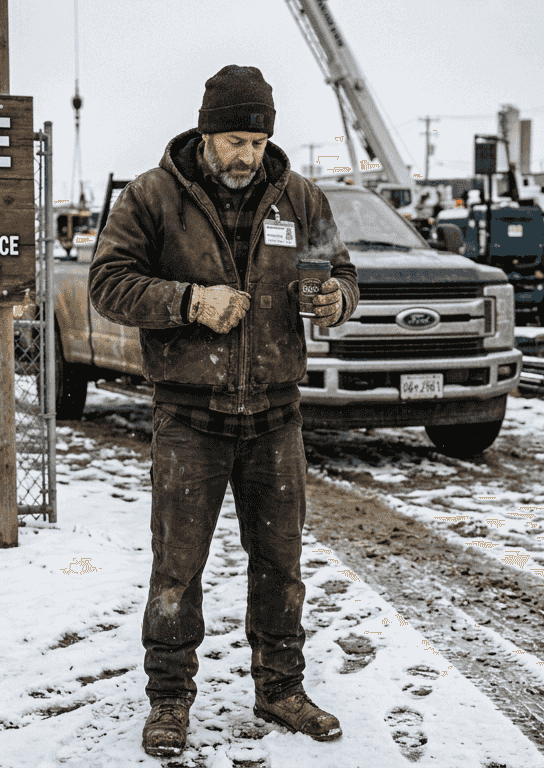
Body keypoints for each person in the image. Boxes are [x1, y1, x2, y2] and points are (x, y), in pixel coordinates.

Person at [88, 64, 358, 758]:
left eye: (257, 141)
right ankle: (170, 700)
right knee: (178, 569)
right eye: (235, 140)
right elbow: (108, 285)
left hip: (276, 417)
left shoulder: (297, 197)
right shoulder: (151, 197)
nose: (247, 155)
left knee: (281, 562)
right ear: (206, 133)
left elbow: (342, 271)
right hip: (190, 418)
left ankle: (280, 688)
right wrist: (188, 301)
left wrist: (336, 300)